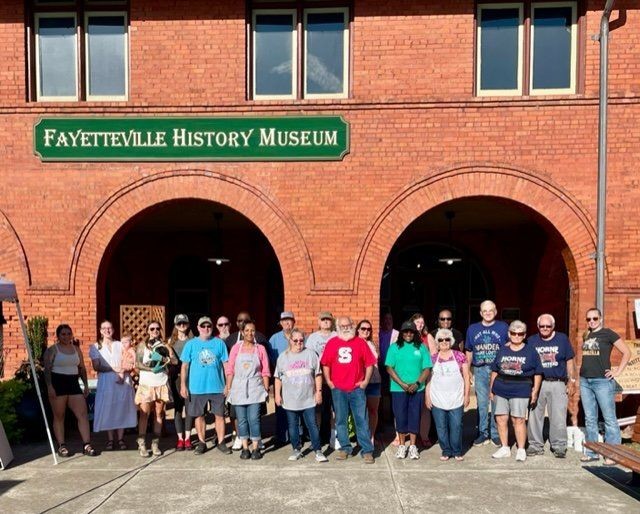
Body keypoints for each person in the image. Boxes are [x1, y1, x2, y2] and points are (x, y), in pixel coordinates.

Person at [321, 316, 376, 463]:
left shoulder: (360, 343)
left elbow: (370, 363)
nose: (346, 328)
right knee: (340, 420)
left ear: (352, 326)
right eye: (342, 325)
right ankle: (345, 448)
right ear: (338, 327)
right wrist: (329, 381)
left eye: (348, 325)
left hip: (357, 389)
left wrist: (365, 382)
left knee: (361, 420)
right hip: (338, 389)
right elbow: (325, 363)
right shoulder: (332, 343)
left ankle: (367, 450)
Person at [579, 308, 631, 464]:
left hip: (602, 381)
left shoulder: (608, 333)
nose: (592, 321)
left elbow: (626, 352)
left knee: (609, 419)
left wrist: (618, 371)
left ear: (600, 319)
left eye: (595, 318)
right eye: (588, 319)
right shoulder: (586, 334)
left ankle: (612, 455)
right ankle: (592, 452)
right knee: (590, 419)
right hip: (585, 380)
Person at [490, 320, 543, 462]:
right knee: (501, 418)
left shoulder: (531, 351)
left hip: (521, 388)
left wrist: (535, 391)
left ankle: (520, 449)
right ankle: (505, 447)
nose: (516, 336)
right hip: (501, 387)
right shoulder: (502, 349)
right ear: (509, 334)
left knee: (518, 419)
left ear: (524, 335)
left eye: (520, 334)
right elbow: (495, 370)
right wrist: (491, 390)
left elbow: (538, 373)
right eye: (513, 333)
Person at [274, 328, 328, 462]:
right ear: (290, 341)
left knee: (312, 425)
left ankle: (318, 451)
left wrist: (319, 392)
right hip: (290, 399)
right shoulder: (283, 357)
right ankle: (296, 449)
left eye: (301, 340)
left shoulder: (311, 354)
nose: (299, 343)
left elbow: (318, 375)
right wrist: (277, 395)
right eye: (296, 340)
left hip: (308, 399)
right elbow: (277, 378)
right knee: (292, 426)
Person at [527, 314, 576, 458]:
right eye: (542, 326)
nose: (545, 328)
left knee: (559, 416)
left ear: (553, 326)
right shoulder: (531, 341)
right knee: (534, 414)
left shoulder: (562, 339)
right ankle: (535, 445)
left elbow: (569, 361)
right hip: (538, 383)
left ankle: (559, 445)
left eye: (548, 326)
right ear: (538, 326)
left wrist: (572, 381)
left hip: (558, 382)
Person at [43, 324, 97, 457]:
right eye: (63, 334)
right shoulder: (52, 350)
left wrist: (85, 385)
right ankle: (62, 446)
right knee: (59, 416)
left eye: (68, 333)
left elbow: (82, 368)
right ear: (58, 336)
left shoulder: (76, 349)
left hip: (73, 384)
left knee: (82, 414)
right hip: (58, 384)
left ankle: (87, 444)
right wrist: (50, 387)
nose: (66, 336)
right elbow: (47, 370)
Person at [180, 316, 230, 455]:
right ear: (198, 328)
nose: (206, 329)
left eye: (208, 326)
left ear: (212, 327)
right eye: (203, 326)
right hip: (197, 388)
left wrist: (228, 385)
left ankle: (221, 442)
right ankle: (202, 442)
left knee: (219, 416)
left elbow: (226, 365)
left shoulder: (219, 343)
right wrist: (183, 386)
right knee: (199, 416)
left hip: (217, 387)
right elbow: (184, 366)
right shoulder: (191, 344)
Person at [385, 321, 432, 460]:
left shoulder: (421, 347)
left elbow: (427, 368)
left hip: (417, 389)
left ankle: (412, 446)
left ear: (415, 333)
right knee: (400, 416)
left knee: (414, 416)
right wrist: (402, 383)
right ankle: (401, 446)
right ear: (401, 333)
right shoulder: (395, 347)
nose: (408, 334)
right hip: (398, 389)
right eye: (405, 331)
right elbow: (389, 367)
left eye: (411, 332)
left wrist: (417, 383)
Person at [465, 300, 509, 446]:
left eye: (491, 310)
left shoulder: (503, 327)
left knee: (497, 402)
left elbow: (510, 345)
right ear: (480, 313)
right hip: (480, 369)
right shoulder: (473, 329)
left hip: (498, 370)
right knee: (482, 403)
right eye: (485, 311)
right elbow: (469, 351)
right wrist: (468, 370)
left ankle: (495, 433)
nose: (488, 313)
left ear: (495, 311)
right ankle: (483, 433)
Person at [89, 320, 137, 451]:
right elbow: (96, 366)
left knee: (121, 409)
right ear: (100, 330)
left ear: (113, 330)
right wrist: (115, 368)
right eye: (104, 328)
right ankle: (110, 440)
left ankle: (121, 439)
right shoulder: (95, 347)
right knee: (108, 410)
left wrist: (124, 369)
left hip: (122, 382)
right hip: (106, 382)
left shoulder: (119, 344)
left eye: (109, 328)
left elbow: (129, 359)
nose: (107, 330)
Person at [226, 320, 270, 460]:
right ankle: (245, 448)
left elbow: (265, 371)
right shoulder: (235, 348)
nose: (250, 333)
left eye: (252, 330)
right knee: (242, 420)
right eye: (247, 331)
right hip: (238, 388)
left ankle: (256, 447)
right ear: (242, 332)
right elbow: (230, 369)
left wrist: (266, 388)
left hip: (255, 387)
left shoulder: (260, 349)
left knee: (254, 419)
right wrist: (228, 387)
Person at [426, 328, 470, 461]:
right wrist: (427, 397)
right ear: (437, 343)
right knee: (441, 426)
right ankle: (446, 450)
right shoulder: (433, 358)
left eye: (447, 339)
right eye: (440, 340)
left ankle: (456, 450)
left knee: (456, 425)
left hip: (456, 397)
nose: (444, 342)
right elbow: (428, 379)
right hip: (437, 398)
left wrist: (466, 395)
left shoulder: (460, 356)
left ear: (451, 341)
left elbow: (467, 377)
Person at [135, 321, 173, 457]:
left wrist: (167, 358)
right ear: (147, 330)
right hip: (146, 383)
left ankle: (155, 444)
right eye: (152, 328)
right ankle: (142, 444)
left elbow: (173, 361)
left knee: (159, 414)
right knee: (144, 414)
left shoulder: (165, 345)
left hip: (161, 383)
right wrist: (152, 368)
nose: (155, 330)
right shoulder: (142, 345)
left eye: (157, 328)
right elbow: (137, 364)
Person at [305, 311, 337, 444]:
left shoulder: (337, 336)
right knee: (317, 409)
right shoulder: (313, 338)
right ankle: (316, 435)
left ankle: (333, 435)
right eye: (323, 319)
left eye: (328, 320)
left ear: (332, 322)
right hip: (317, 380)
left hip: (334, 379)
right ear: (319, 322)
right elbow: (309, 357)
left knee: (334, 409)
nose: (325, 322)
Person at [166, 314, 194, 450]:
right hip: (176, 378)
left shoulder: (193, 341)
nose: (182, 326)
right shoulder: (170, 342)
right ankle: (180, 439)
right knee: (178, 408)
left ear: (188, 324)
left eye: (184, 323)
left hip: (191, 378)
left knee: (189, 408)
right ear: (175, 325)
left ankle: (188, 438)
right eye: (179, 324)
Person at [269, 311, 296, 446]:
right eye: (284, 320)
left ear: (293, 322)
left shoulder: (300, 336)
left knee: (297, 407)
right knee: (281, 407)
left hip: (297, 378)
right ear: (280, 323)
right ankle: (281, 436)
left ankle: (297, 435)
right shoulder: (274, 339)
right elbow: (271, 358)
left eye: (289, 320)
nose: (287, 323)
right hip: (281, 377)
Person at [409, 312, 436, 448]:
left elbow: (434, 357)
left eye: (422, 322)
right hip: (408, 376)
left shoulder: (428, 337)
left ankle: (424, 435)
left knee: (425, 407)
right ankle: (400, 435)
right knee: (406, 406)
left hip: (425, 376)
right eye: (417, 322)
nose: (420, 325)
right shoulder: (405, 336)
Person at [356, 319, 381, 445]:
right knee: (360, 412)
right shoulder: (354, 344)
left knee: (373, 410)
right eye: (363, 329)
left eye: (368, 329)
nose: (366, 331)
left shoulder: (373, 344)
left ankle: (371, 436)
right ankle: (362, 437)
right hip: (359, 382)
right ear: (358, 330)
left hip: (374, 381)